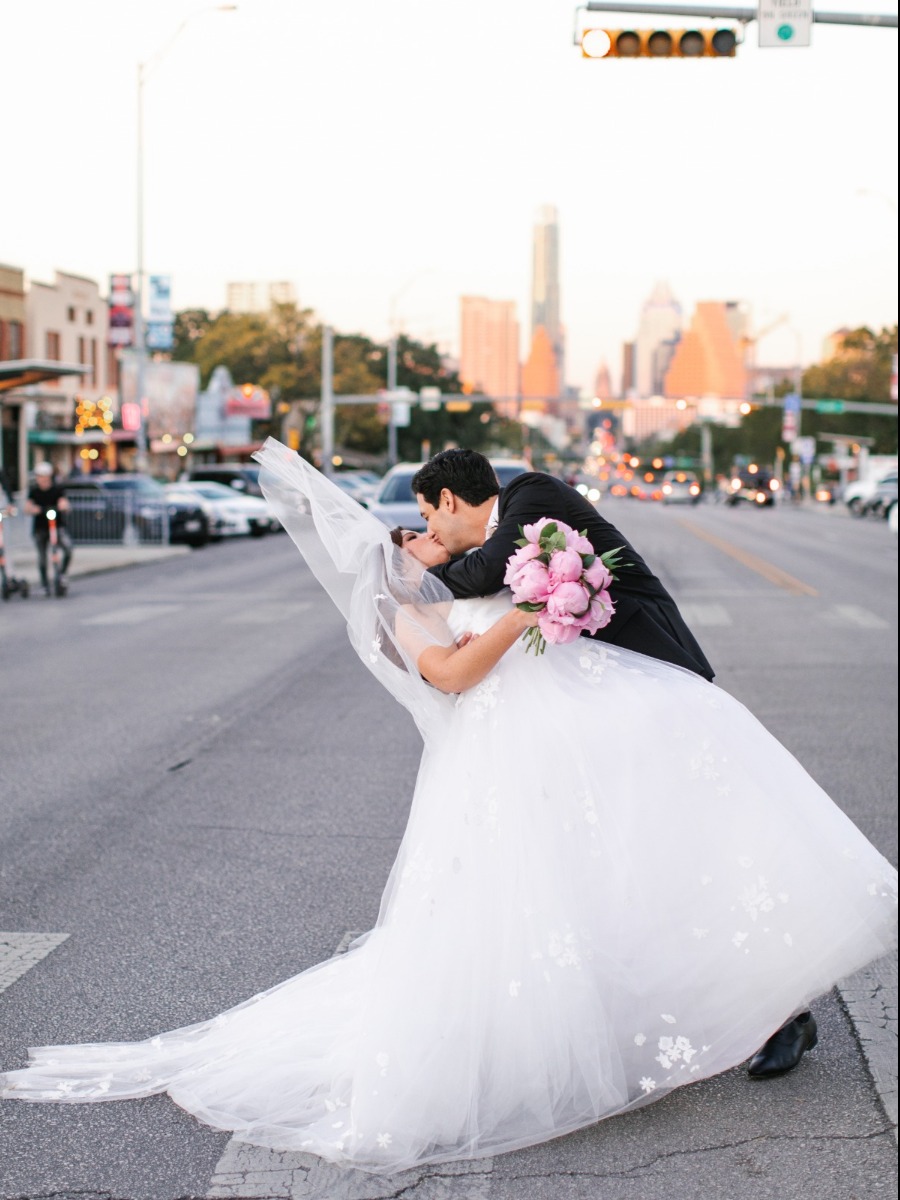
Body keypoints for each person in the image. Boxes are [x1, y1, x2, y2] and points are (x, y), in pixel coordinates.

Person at [1, 437, 895, 1177]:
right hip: (544, 750)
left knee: (699, 850)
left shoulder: (533, 501)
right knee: (607, 880)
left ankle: (778, 1004)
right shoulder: (431, 602)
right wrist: (445, 582)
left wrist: (467, 573)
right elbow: (462, 642)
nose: (427, 536)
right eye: (415, 531)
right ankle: (697, 1008)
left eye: (432, 519)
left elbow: (501, 566)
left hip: (649, 689)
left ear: (459, 500)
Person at [412, 450, 715, 682]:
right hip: (598, 667)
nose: (430, 532)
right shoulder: (499, 530)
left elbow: (487, 572)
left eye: (427, 517)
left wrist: (415, 580)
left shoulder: (531, 490)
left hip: (644, 642)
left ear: (447, 500)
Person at [24, 461, 73, 594]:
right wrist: (33, 509)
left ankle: (62, 574)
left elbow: (64, 503)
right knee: (42, 558)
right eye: (40, 476)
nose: (43, 479)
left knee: (68, 548)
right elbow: (27, 507)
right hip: (41, 528)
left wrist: (63, 506)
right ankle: (45, 584)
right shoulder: (34, 491)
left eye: (45, 476)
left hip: (57, 526)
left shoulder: (57, 489)